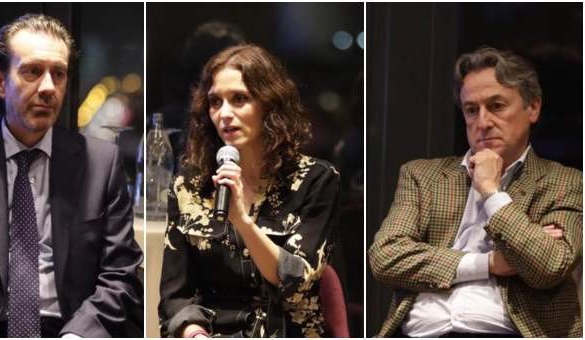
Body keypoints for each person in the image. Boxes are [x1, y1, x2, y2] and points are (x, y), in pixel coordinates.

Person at [0, 14, 143, 337]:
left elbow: (121, 274)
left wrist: (77, 335)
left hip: (71, 329)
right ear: (0, 82)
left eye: (58, 74)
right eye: (32, 71)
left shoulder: (101, 163)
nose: (47, 87)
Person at [368, 46, 582, 337]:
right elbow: (385, 257)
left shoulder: (565, 182)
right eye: (471, 110)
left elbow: (548, 265)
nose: (482, 123)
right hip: (420, 332)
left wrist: (491, 190)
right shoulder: (423, 175)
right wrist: (489, 264)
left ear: (533, 108)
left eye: (496, 106)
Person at [158, 44, 340, 337]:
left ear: (269, 104)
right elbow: (175, 296)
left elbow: (295, 283)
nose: (224, 114)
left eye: (239, 99)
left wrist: (242, 221)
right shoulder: (188, 186)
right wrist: (193, 333)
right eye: (215, 102)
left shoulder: (315, 180)